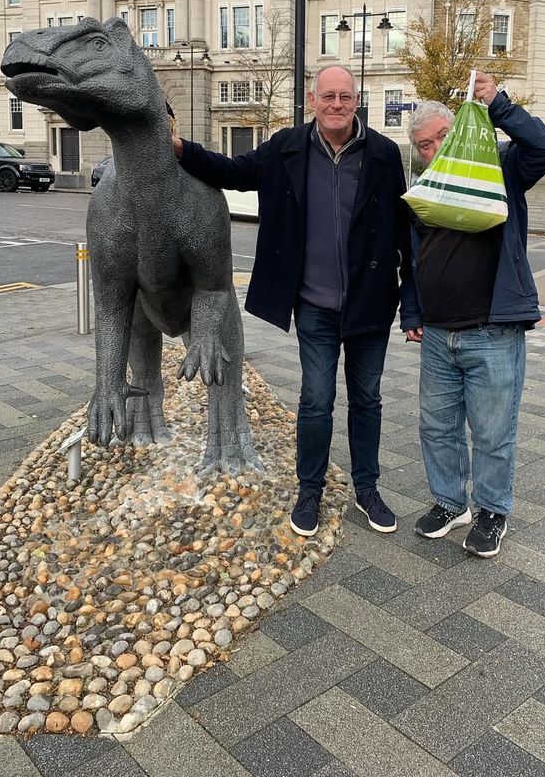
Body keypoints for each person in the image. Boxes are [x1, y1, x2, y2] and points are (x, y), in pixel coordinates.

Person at [172, 65, 419, 538]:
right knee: (316, 399)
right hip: (314, 305)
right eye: (328, 96)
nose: (337, 105)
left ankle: (368, 490)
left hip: (369, 303)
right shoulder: (287, 147)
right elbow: (234, 172)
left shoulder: (384, 155)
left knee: (367, 399)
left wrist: (413, 305)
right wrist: (181, 149)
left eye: (345, 97)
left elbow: (407, 233)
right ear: (312, 99)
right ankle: (311, 491)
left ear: (356, 101)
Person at [406, 72, 545, 558]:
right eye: (424, 145)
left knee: (493, 431)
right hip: (437, 333)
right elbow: (411, 257)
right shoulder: (425, 191)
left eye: (440, 139)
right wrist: (412, 309)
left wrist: (498, 104)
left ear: (458, 134)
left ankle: (493, 511)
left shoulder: (500, 167)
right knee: (437, 426)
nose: (433, 150)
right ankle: (450, 503)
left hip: (493, 329)